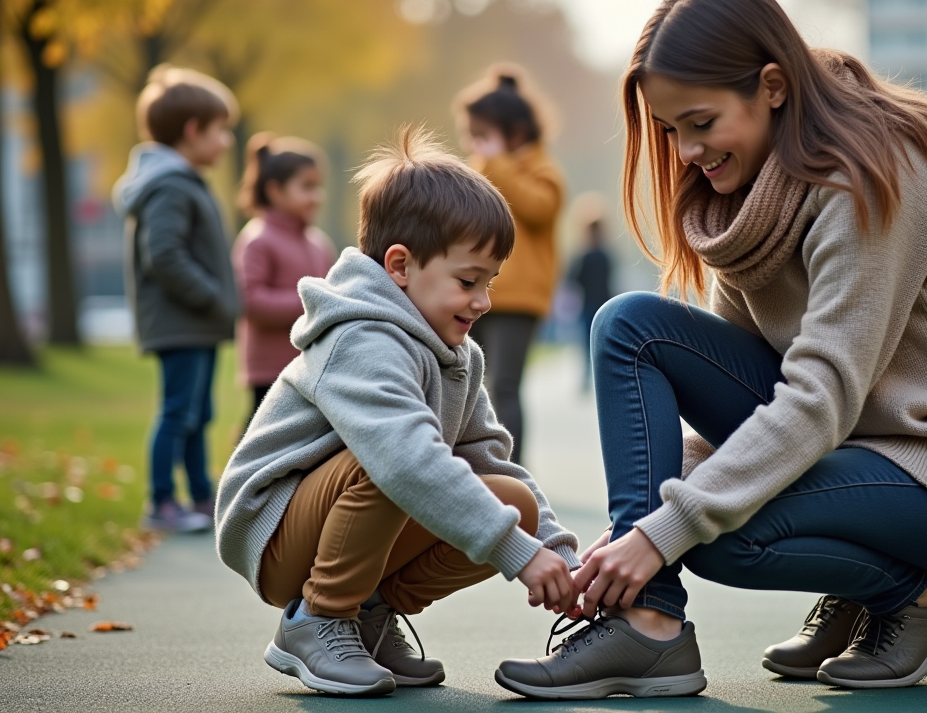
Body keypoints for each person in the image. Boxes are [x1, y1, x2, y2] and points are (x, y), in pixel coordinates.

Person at [495, 0, 927, 700]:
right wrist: (640, 530)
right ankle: (647, 620)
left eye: (700, 122)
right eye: (671, 131)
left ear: (772, 85)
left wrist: (663, 530)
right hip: (863, 447)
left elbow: (818, 395)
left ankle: (916, 597)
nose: (687, 150)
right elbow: (743, 401)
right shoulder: (747, 200)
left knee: (719, 533)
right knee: (629, 326)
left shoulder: (873, 173)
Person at [214, 126, 580, 697]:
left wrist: (557, 554)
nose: (483, 301)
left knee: (513, 504)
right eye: (468, 281)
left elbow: (490, 461)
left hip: (341, 509)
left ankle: (366, 617)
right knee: (390, 459)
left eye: (490, 282)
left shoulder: (457, 354)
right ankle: (319, 620)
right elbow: (403, 460)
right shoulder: (359, 337)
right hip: (274, 530)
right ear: (401, 266)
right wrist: (516, 555)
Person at [112, 65, 240, 534]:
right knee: (177, 411)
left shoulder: (182, 181)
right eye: (220, 130)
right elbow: (163, 255)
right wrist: (209, 296)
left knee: (198, 412)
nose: (226, 142)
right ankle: (161, 501)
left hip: (195, 322)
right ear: (192, 131)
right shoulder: (168, 186)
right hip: (181, 320)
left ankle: (201, 495)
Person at [455, 66, 566, 464]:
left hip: (520, 298)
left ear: (515, 135)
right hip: (475, 290)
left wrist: (497, 165)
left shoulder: (542, 170)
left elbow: (540, 208)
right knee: (466, 379)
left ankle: (511, 468)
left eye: (482, 137)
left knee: (505, 384)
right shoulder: (479, 168)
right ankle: (469, 461)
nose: (473, 144)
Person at [232, 133, 336, 425]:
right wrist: (313, 301)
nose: (318, 196)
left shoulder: (318, 242)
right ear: (275, 190)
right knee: (262, 433)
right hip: (269, 368)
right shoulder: (258, 239)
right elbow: (250, 301)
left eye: (319, 187)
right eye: (307, 187)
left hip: (311, 365)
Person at [567, 216, 614, 391]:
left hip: (588, 304)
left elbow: (572, 279)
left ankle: (587, 378)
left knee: (587, 343)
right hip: (604, 303)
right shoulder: (606, 255)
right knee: (602, 342)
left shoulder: (583, 256)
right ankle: (602, 378)